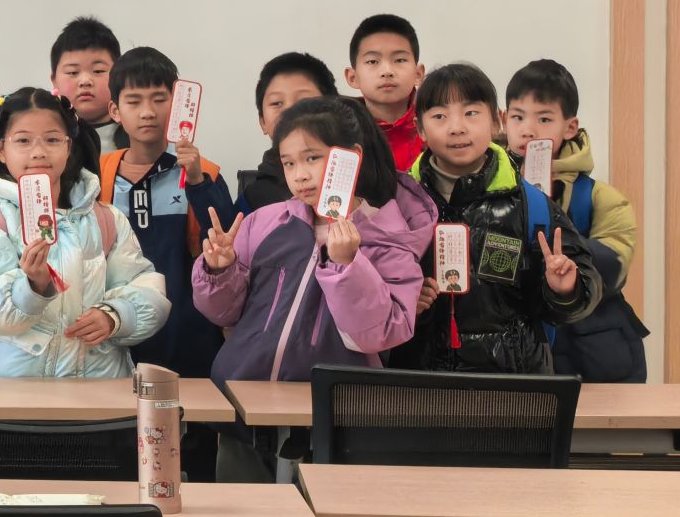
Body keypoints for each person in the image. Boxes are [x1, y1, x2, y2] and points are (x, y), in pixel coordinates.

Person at [195, 97, 434, 383]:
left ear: (351, 156)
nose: (300, 175)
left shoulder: (388, 238)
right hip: (243, 389)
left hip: (331, 399)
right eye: (289, 163)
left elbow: (381, 334)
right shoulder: (263, 223)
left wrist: (347, 266)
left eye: (312, 158)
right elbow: (223, 314)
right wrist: (220, 271)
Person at [391, 63, 601, 373]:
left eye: (471, 113)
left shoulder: (530, 203)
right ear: (420, 128)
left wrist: (565, 288)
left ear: (495, 120)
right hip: (419, 382)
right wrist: (403, 299)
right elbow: (371, 297)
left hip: (512, 385)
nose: (457, 127)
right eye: (440, 116)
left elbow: (581, 292)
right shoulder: (398, 202)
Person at [0, 87, 167, 380]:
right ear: (0, 149)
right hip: (13, 389)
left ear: (69, 147)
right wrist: (32, 287)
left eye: (52, 140)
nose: (38, 152)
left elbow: (146, 287)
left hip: (96, 384)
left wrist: (115, 315)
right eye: (23, 140)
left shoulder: (106, 218)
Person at [503, 57, 649, 381]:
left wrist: (557, 239)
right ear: (503, 119)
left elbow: (614, 266)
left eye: (544, 118)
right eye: (518, 117)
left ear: (570, 127)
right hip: (516, 357)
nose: (528, 130)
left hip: (594, 359)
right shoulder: (489, 191)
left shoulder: (600, 197)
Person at [98, 47, 235, 383]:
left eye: (159, 99)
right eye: (134, 101)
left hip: (189, 334)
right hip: (117, 332)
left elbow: (229, 244)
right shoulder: (98, 176)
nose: (148, 112)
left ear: (177, 105)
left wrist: (197, 181)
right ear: (115, 110)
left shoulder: (205, 173)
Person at [235, 52, 338, 215]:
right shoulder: (253, 198)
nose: (290, 111)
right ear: (262, 121)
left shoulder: (358, 178)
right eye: (276, 103)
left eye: (304, 101)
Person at [346, 15, 426, 172]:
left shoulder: (436, 126)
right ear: (352, 77)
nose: (387, 71)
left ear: (418, 74)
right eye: (372, 61)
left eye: (400, 60)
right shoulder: (339, 134)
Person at [49, 15, 122, 163]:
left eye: (98, 71)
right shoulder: (42, 139)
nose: (85, 81)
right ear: (54, 80)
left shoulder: (138, 138)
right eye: (73, 72)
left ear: (118, 75)